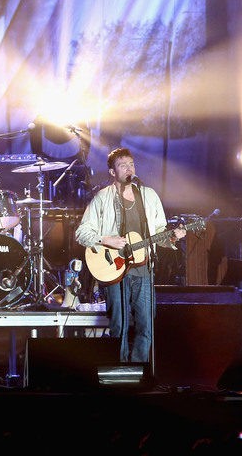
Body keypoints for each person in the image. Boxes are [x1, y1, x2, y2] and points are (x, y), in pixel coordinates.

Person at [75, 147, 186, 363]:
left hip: (143, 269)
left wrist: (172, 237)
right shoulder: (102, 198)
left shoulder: (148, 195)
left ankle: (140, 371)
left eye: (131, 164)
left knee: (146, 323)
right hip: (114, 269)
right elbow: (82, 232)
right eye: (122, 165)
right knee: (119, 324)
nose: (129, 168)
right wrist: (106, 239)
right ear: (112, 172)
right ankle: (119, 371)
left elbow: (159, 233)